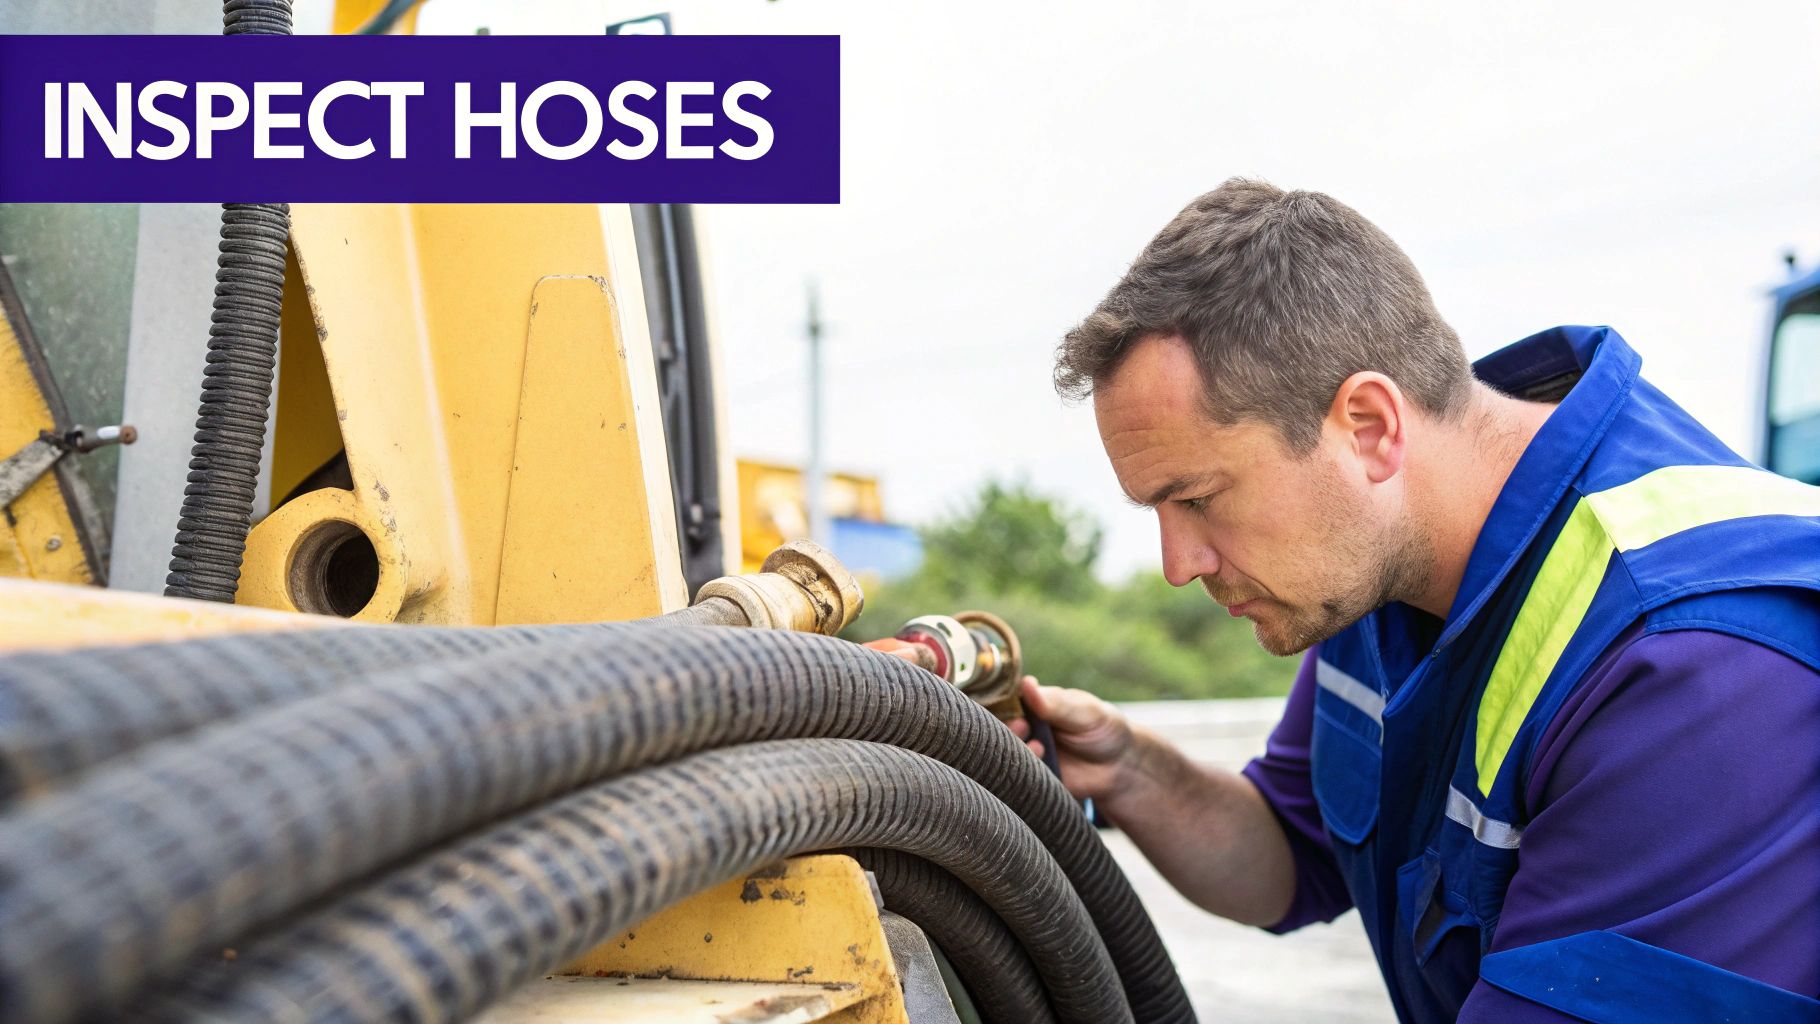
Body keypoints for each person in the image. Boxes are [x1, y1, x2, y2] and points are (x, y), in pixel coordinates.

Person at [1017, 178, 1820, 1022]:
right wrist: (1131, 771)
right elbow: (1295, 855)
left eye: (1198, 498)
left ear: (1367, 425)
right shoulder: (1373, 564)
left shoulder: (1695, 667)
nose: (1179, 565)